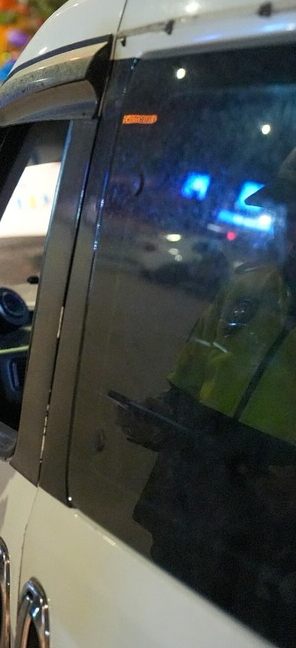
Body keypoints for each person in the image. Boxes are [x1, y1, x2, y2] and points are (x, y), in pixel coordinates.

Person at [120, 147, 296, 643]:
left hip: (267, 555)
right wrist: (153, 418)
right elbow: (186, 392)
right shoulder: (246, 290)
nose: (291, 229)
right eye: (288, 212)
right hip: (187, 515)